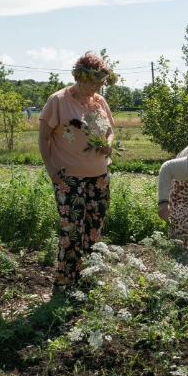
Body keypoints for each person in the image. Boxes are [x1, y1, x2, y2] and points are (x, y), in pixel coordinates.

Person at [38, 51, 118, 287]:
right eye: (98, 81)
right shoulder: (58, 101)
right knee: (72, 231)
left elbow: (111, 131)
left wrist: (108, 145)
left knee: (95, 229)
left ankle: (89, 279)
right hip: (69, 178)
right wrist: (52, 170)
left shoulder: (99, 102)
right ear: (82, 77)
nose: (101, 87)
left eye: (103, 82)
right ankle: (66, 283)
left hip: (100, 177)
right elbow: (44, 138)